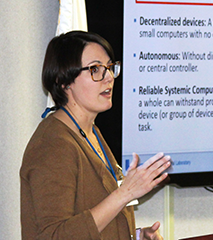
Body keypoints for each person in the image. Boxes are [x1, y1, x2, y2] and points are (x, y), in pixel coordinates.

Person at [20, 31, 172, 240]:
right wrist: (125, 193)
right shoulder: (54, 144)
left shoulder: (90, 131)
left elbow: (90, 215)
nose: (108, 77)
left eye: (109, 68)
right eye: (95, 69)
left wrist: (134, 236)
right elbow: (53, 236)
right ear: (64, 81)